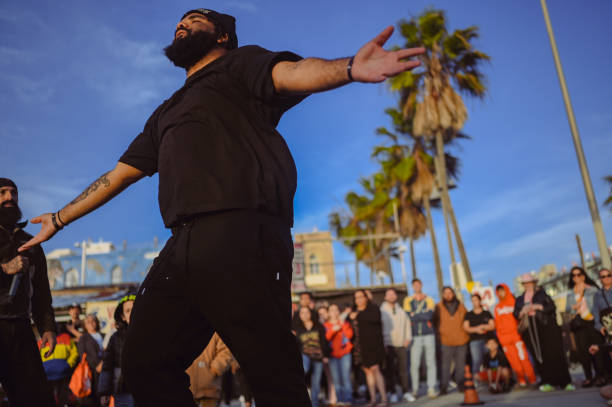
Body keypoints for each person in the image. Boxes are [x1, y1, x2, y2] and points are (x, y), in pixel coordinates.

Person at [19, 8, 424, 406]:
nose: (182, 24)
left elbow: (292, 74)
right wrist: (59, 218)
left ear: (222, 36)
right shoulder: (165, 112)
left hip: (243, 231)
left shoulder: (239, 66)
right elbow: (119, 174)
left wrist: (350, 67)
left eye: (194, 20)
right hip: (182, 244)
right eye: (179, 21)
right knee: (145, 362)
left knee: (270, 371)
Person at [0, 178, 56, 406]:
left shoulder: (30, 242)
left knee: (36, 398)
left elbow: (41, 291)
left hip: (20, 328)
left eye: (13, 193)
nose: (9, 198)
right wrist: (4, 268)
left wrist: (48, 328)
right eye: (2, 193)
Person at [514, 273, 574, 392]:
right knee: (539, 356)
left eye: (529, 283)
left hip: (546, 326)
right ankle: (547, 381)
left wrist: (537, 307)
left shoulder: (541, 294)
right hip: (530, 330)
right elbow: (515, 313)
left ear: (533, 283)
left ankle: (565, 381)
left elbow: (551, 307)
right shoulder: (520, 298)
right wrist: (522, 312)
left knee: (555, 353)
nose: (527, 285)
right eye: (525, 283)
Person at [565, 266, 606, 387]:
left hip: (592, 321)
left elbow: (599, 305)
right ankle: (588, 376)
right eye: (573, 275)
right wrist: (574, 309)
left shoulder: (592, 289)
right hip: (579, 324)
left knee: (596, 350)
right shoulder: (571, 294)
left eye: (579, 274)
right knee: (583, 351)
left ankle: (600, 375)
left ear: (583, 275)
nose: (576, 277)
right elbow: (568, 309)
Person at [493, 283, 536, 387]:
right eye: (498, 291)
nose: (500, 293)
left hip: (516, 336)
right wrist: (500, 338)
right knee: (514, 361)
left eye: (502, 290)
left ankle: (532, 378)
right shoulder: (497, 307)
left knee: (523, 358)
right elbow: (497, 324)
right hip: (505, 339)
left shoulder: (514, 302)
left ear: (506, 290)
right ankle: (521, 380)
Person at [350, 289, 388, 407]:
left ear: (366, 298)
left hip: (374, 346)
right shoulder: (353, 312)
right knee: (368, 373)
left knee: (376, 370)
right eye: (356, 297)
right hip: (360, 347)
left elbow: (375, 318)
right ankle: (373, 399)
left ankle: (384, 399)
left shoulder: (373, 309)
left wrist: (358, 315)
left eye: (361, 297)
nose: (359, 299)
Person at [98, 295, 136, 407]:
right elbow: (107, 366)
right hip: (122, 389)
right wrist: (104, 392)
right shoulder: (115, 337)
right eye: (128, 311)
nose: (133, 313)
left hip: (147, 389)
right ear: (123, 317)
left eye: (135, 309)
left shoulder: (150, 334)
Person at [403, 278, 437, 399]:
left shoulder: (429, 299)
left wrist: (415, 315)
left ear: (421, 285)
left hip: (429, 334)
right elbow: (408, 316)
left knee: (431, 362)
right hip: (415, 335)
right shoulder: (408, 300)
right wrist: (420, 314)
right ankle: (415, 389)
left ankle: (431, 388)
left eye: (418, 284)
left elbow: (429, 315)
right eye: (414, 285)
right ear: (412, 287)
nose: (417, 286)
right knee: (414, 364)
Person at [380, 288, 414, 403]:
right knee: (390, 370)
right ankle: (393, 392)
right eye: (388, 294)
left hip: (401, 344)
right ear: (385, 297)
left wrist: (408, 338)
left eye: (393, 294)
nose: (391, 296)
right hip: (388, 344)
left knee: (403, 370)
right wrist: (383, 343)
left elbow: (407, 325)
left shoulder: (401, 311)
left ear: (396, 296)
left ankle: (406, 392)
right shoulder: (381, 311)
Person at [433, 286, 469, 395]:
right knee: (445, 366)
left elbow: (467, 319)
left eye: (450, 293)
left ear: (453, 294)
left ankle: (461, 384)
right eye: (446, 293)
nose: (448, 295)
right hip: (446, 340)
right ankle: (443, 387)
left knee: (460, 364)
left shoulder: (461, 306)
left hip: (461, 339)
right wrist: (439, 335)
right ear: (443, 295)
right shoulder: (438, 306)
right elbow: (435, 322)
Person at [186, 332, 234, 407]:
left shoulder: (215, 329)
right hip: (188, 386)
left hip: (210, 387)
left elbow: (227, 350)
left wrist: (215, 369)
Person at [294, 306, 330, 407]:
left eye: (306, 312)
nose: (304, 315)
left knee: (316, 383)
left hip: (318, 358)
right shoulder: (298, 328)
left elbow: (324, 341)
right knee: (303, 372)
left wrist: (325, 355)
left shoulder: (319, 326)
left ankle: (314, 404)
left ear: (311, 313)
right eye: (302, 313)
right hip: (305, 357)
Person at [39, 324, 79, 406]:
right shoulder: (41, 341)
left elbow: (74, 353)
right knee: (50, 399)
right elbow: (36, 358)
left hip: (63, 375)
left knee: (64, 398)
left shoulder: (66, 337)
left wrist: (67, 365)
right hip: (47, 377)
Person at [324, 303, 354, 406]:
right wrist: (333, 330)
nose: (334, 312)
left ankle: (348, 400)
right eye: (331, 310)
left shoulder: (344, 323)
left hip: (345, 353)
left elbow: (350, 335)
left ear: (339, 312)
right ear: (328, 313)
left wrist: (342, 325)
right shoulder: (326, 326)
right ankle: (340, 400)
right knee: (336, 379)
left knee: (346, 377)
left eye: (336, 309)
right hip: (332, 355)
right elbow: (325, 339)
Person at [463, 293, 495, 380]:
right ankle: (474, 380)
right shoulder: (469, 315)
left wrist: (483, 327)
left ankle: (491, 378)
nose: (474, 302)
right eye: (472, 301)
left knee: (489, 360)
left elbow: (492, 325)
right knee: (477, 360)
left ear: (480, 301)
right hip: (475, 341)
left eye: (476, 300)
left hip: (488, 340)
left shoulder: (486, 313)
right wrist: (477, 329)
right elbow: (466, 328)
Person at [78, 314, 104, 406]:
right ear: (84, 325)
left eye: (93, 320)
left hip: (105, 370)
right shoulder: (83, 338)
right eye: (88, 322)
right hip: (91, 374)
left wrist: (104, 363)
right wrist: (97, 365)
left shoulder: (103, 335)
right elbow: (83, 356)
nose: (91, 323)